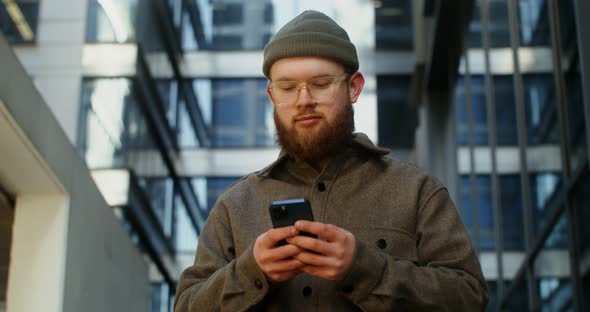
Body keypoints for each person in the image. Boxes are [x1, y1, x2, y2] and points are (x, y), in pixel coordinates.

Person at [174, 10, 489, 311]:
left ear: (353, 87)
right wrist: (250, 271)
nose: (304, 100)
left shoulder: (417, 192)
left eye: (321, 84)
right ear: (272, 97)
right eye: (287, 87)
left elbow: (470, 298)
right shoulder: (234, 206)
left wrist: (362, 268)